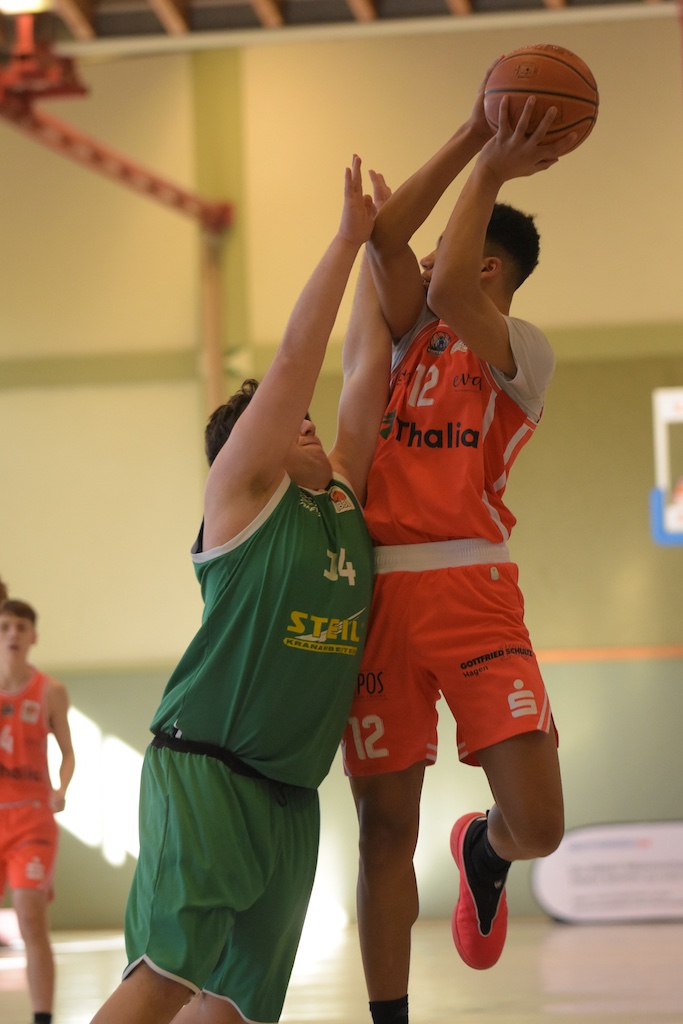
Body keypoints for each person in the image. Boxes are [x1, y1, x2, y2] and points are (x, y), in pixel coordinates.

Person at [90, 155, 391, 1024]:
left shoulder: (340, 493)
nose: (303, 418)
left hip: (292, 793)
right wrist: (342, 242)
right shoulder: (241, 501)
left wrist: (384, 246)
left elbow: (365, 373)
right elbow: (301, 354)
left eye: (304, 417)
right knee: (166, 978)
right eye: (282, 418)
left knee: (237, 1005)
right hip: (208, 771)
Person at [341, 78, 574, 1024]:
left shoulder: (521, 351)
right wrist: (474, 129)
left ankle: (486, 848)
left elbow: (432, 272)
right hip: (377, 600)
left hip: (474, 589)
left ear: (487, 269)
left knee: (541, 828)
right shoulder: (393, 342)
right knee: (381, 832)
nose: (428, 260)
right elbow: (385, 243)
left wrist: (491, 163)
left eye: (454, 245)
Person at [0, 598, 76, 1024]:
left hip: (32, 818)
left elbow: (68, 753)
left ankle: (42, 1017)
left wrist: (61, 788)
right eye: (5, 625)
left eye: (21, 628)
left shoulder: (50, 691)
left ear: (33, 637)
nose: (13, 634)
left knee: (30, 913)